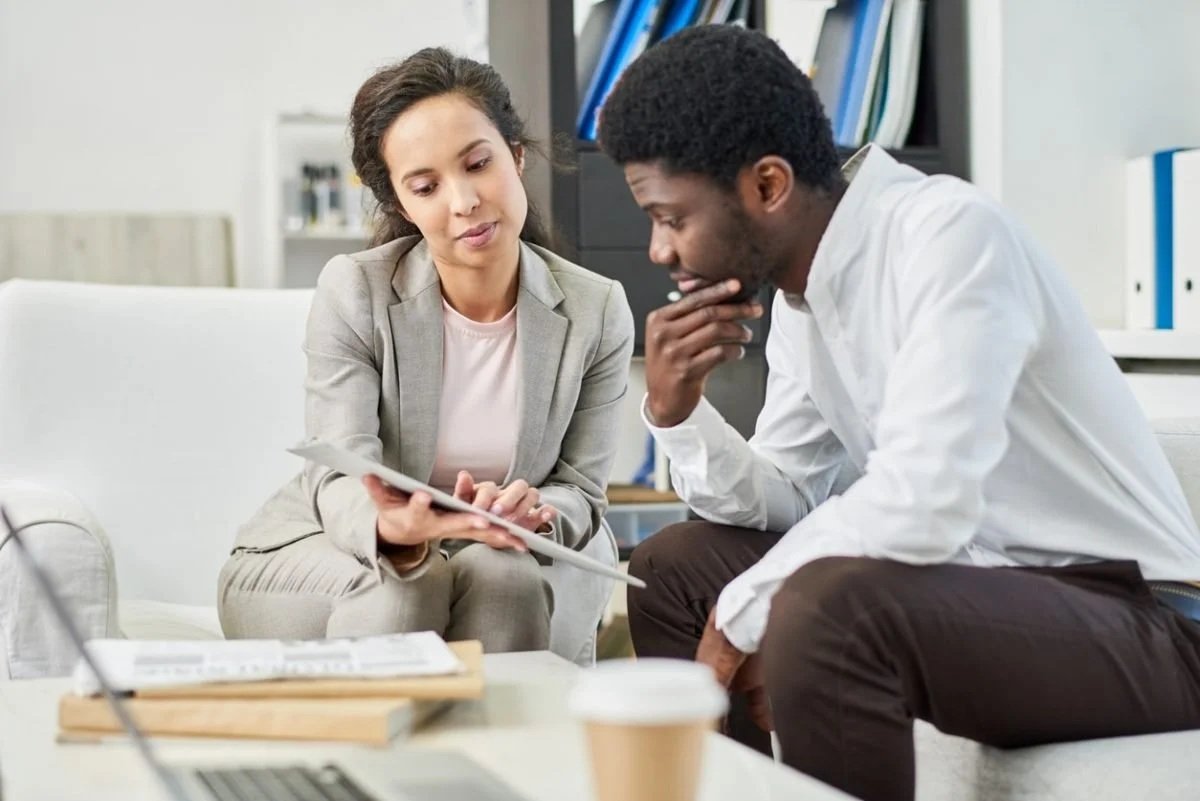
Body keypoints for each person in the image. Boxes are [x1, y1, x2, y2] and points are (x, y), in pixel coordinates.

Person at [597, 24, 1200, 801]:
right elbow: (791, 498)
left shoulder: (948, 235)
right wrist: (675, 412)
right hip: (978, 594)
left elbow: (926, 500)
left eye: (671, 217)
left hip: (1144, 620)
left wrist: (744, 616)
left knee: (824, 609)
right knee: (671, 570)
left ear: (769, 186)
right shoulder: (802, 303)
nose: (658, 250)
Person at [218, 48, 634, 653]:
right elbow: (337, 472)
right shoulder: (355, 290)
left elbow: (581, 490)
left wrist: (536, 511)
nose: (463, 201)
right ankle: (376, 749)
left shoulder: (595, 310)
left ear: (516, 158)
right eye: (426, 186)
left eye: (478, 164)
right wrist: (390, 527)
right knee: (409, 583)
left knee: (510, 579)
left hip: (482, 552)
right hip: (320, 553)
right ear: (400, 204)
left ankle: (505, 749)